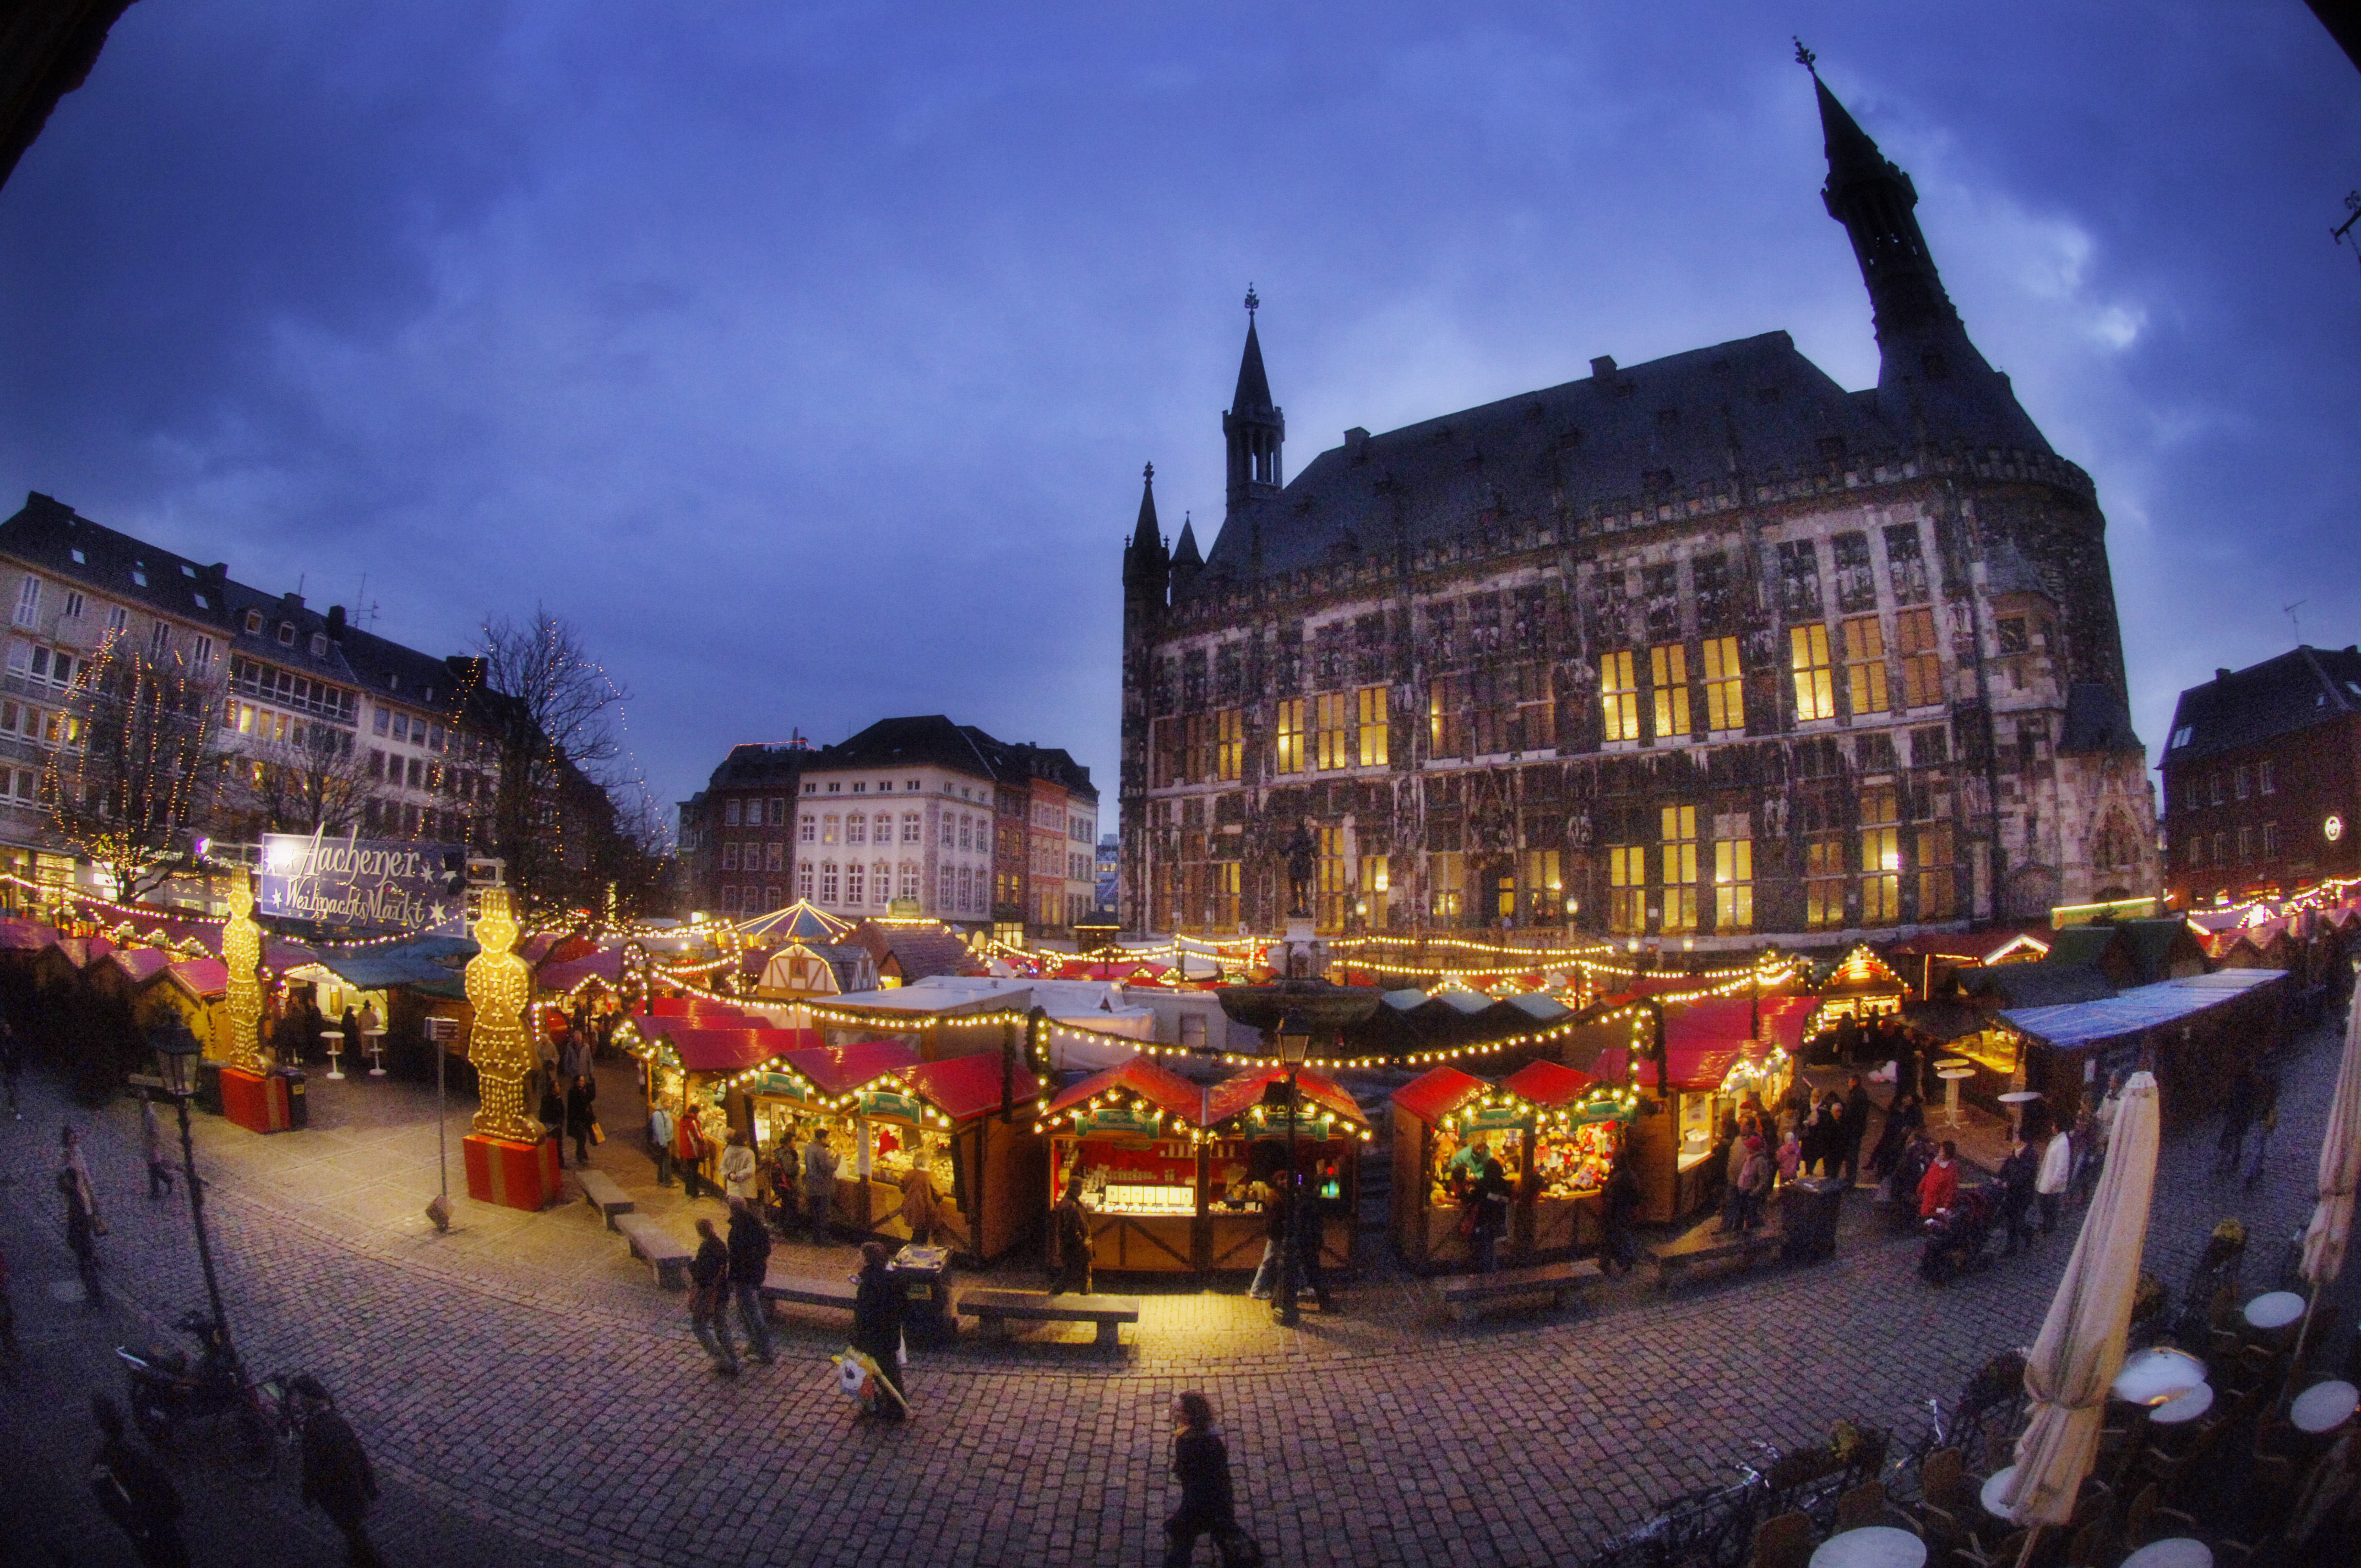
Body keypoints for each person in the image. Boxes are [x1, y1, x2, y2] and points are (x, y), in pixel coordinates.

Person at [291, 1374, 383, 1567]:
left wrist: (308, 1492)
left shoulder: (315, 1428)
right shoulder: (335, 1420)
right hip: (349, 1490)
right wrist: (369, 1486)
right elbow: (358, 1454)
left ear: (309, 1399)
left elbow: (313, 1466)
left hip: (338, 1493)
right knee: (354, 1532)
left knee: (353, 1533)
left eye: (301, 1397)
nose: (298, 1402)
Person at [90, 1392, 189, 1567]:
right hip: (154, 1515)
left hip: (148, 1519)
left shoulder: (108, 1457)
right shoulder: (125, 1449)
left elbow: (110, 1498)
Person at [1162, 1391, 1241, 1568]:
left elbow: (1194, 1475)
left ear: (1188, 1416)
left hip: (1202, 1502)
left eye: (1178, 1410)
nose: (1173, 1413)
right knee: (1222, 1533)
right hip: (1218, 1499)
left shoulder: (1188, 1441)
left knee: (1183, 1536)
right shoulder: (1208, 1437)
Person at [852, 1240, 907, 1418]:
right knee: (890, 1371)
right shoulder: (893, 1279)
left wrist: (857, 1339)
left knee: (865, 1372)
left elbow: (864, 1314)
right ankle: (896, 1405)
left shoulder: (868, 1284)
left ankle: (872, 1405)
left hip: (872, 1336)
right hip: (889, 1334)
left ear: (867, 1260)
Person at [725, 1197, 776, 1365]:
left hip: (743, 1277)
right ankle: (755, 1343)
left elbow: (735, 1259)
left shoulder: (737, 1231)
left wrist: (732, 1278)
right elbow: (766, 1250)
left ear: (732, 1210)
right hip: (757, 1274)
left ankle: (765, 1351)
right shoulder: (758, 1225)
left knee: (752, 1312)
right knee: (747, 1311)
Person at [688, 1216, 738, 1375]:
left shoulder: (706, 1248)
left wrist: (691, 1267)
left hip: (709, 1294)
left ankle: (721, 1360)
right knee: (721, 1325)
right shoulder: (720, 1245)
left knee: (698, 1326)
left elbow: (703, 1276)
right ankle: (733, 1359)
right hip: (722, 1292)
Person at [1468, 1151, 1512, 1273]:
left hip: (1484, 1217)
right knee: (1493, 1245)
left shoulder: (1484, 1183)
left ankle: (1486, 1268)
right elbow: (1507, 1199)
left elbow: (1475, 1197)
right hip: (1499, 1218)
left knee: (1484, 1244)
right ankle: (1493, 1268)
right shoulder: (1504, 1183)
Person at [1600, 1148, 1641, 1276]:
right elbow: (1636, 1195)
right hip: (1621, 1210)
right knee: (1619, 1235)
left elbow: (1608, 1192)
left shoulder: (1620, 1176)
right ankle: (1614, 1262)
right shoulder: (1629, 1175)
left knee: (1619, 1236)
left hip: (1617, 1210)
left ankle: (1622, 1262)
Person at [1051, 1176, 1094, 1295]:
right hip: (1074, 1247)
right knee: (1071, 1273)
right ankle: (1052, 1297)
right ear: (1078, 1189)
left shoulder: (1070, 1202)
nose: (1082, 1190)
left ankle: (1086, 1297)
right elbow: (1071, 1230)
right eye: (1082, 1187)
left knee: (1082, 1273)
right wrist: (1083, 1244)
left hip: (1074, 1246)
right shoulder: (1071, 1205)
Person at [1998, 1133, 2038, 1256]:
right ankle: (2011, 1247)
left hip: (2023, 1194)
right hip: (2012, 1193)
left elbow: (2025, 1176)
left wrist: (2010, 1183)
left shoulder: (2030, 1155)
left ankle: (2027, 1233)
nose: (2013, 1139)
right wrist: (2000, 1178)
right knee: (2011, 1220)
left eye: (2016, 1137)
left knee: (2017, 1221)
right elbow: (2006, 1168)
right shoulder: (2016, 1152)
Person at [2216, 1065, 2259, 1177]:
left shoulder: (2238, 1084)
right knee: (2237, 1138)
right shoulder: (2249, 1086)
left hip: (2236, 1114)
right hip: (2240, 1115)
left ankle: (2226, 1159)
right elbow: (2250, 1103)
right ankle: (2233, 1160)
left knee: (2231, 1136)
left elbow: (2231, 1098)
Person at [799, 1126, 839, 1237]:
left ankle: (815, 1235)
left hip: (811, 1185)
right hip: (821, 1186)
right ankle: (822, 1237)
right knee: (822, 1212)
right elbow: (827, 1167)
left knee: (814, 1211)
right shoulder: (821, 1151)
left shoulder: (809, 1148)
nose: (829, 1141)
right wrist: (837, 1159)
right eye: (828, 1138)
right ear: (822, 1139)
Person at [2246, 1064, 2281, 1185]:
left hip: (2259, 1120)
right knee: (2260, 1146)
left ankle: (2256, 1169)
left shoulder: (2257, 1092)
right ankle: (2252, 1172)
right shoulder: (2269, 1094)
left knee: (2260, 1145)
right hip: (2263, 1120)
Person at [2036, 1120, 2072, 1234]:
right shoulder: (2057, 1140)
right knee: (2044, 1203)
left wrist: (2055, 1181)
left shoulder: (2062, 1143)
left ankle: (2049, 1226)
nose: (2052, 1127)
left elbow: (2062, 1164)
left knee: (2048, 1205)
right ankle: (2047, 1224)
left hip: (2052, 1181)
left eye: (2053, 1125)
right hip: (2048, 1177)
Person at [899, 1151, 940, 1247]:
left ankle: (913, 1249)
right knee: (922, 1236)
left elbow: (902, 1187)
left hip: (910, 1209)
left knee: (917, 1233)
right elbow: (938, 1194)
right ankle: (915, 1251)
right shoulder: (930, 1176)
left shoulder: (909, 1174)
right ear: (925, 1162)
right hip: (925, 1210)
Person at [1839, 1074, 1873, 1186]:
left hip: (1853, 1129)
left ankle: (1850, 1179)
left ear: (1855, 1082)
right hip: (1857, 1129)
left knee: (1851, 1155)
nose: (1849, 1084)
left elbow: (1851, 1113)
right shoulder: (1861, 1094)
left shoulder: (1855, 1095)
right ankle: (1850, 1178)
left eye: (1850, 1082)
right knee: (1853, 1154)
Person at [140, 1094, 175, 1201]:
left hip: (152, 1144)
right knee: (153, 1168)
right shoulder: (145, 1112)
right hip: (149, 1143)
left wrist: (153, 1144)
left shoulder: (150, 1114)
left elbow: (154, 1131)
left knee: (154, 1168)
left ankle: (162, 1186)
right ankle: (158, 1189)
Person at [676, 1102, 711, 1201]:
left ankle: (688, 1190)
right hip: (693, 1150)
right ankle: (695, 1192)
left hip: (685, 1149)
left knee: (689, 1171)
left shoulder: (683, 1119)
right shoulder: (692, 1122)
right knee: (694, 1171)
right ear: (695, 1113)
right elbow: (698, 1137)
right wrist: (704, 1136)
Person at [1918, 1139, 1961, 1221]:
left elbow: (1950, 1191)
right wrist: (1921, 1188)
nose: (1939, 1152)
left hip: (1935, 1205)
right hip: (1927, 1199)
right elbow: (1928, 1176)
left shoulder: (1951, 1171)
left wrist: (1944, 1207)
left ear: (1947, 1154)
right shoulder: (1936, 1163)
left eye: (1942, 1151)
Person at [1736, 1134, 1772, 1231]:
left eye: (1749, 1146)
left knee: (1751, 1216)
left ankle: (1753, 1234)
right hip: (1743, 1190)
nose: (1747, 1148)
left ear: (1753, 1148)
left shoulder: (1760, 1161)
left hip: (1751, 1192)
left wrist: (1754, 1192)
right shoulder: (1750, 1157)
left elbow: (1763, 1180)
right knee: (1743, 1213)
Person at [720, 1129, 758, 1204]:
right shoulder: (749, 1153)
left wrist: (730, 1175)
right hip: (747, 1191)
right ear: (745, 1141)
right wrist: (738, 1176)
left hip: (732, 1191)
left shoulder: (728, 1151)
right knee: (747, 1210)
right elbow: (751, 1170)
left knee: (734, 1209)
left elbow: (722, 1168)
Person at [648, 1100, 676, 1187]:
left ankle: (662, 1180)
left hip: (666, 1140)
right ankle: (666, 1181)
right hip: (663, 1142)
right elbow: (659, 1130)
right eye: (668, 1103)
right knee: (665, 1161)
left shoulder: (664, 1112)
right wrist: (663, 1143)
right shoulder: (658, 1115)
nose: (670, 1105)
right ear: (663, 1103)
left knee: (663, 1160)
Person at [1, 1016, 21, 1119]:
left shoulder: (14, 1041)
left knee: (14, 1090)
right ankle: (12, 1106)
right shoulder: (2, 1043)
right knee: (10, 1090)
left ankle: (14, 1108)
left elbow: (18, 1054)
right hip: (5, 1070)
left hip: (13, 1069)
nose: (8, 1031)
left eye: (9, 1029)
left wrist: (18, 1068)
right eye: (6, 1029)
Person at [537, 1079, 565, 1150]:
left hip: (557, 1126)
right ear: (553, 1088)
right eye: (557, 1086)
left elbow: (562, 1111)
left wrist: (561, 1122)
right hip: (551, 1126)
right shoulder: (547, 1099)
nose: (558, 1088)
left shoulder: (558, 1098)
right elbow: (547, 1112)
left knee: (559, 1146)